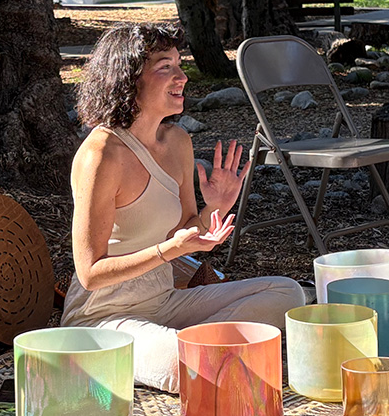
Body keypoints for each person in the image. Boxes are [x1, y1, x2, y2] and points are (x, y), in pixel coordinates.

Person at [60, 23, 305, 394]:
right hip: (103, 317)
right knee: (182, 364)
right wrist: (167, 252)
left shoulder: (177, 142)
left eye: (179, 64)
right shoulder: (101, 155)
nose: (182, 77)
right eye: (165, 67)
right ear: (128, 79)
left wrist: (214, 208)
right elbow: (91, 273)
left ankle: (195, 350)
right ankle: (193, 352)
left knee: (289, 292)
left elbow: (188, 231)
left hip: (165, 303)